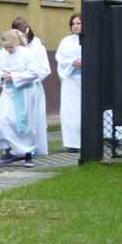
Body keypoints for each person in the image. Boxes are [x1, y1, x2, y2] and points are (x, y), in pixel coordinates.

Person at [0, 29, 42, 167]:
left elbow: (34, 72)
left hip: (24, 91)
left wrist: (14, 76)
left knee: (24, 122)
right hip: (8, 91)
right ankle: (7, 150)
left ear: (16, 43)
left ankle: (27, 153)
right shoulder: (2, 54)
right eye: (6, 47)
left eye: (10, 47)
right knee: (1, 118)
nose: (8, 50)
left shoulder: (27, 54)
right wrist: (2, 75)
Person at [11, 17, 50, 156]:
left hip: (33, 88)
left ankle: (34, 147)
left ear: (27, 31)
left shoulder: (38, 48)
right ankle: (19, 147)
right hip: (17, 88)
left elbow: (45, 69)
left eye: (21, 33)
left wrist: (30, 79)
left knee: (33, 119)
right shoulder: (14, 47)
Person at [55, 13, 82, 152]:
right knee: (70, 112)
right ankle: (72, 143)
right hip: (70, 80)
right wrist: (72, 62)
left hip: (86, 80)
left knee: (83, 111)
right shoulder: (66, 41)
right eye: (73, 24)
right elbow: (60, 58)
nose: (76, 26)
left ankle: (85, 141)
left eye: (78, 23)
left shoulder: (91, 39)